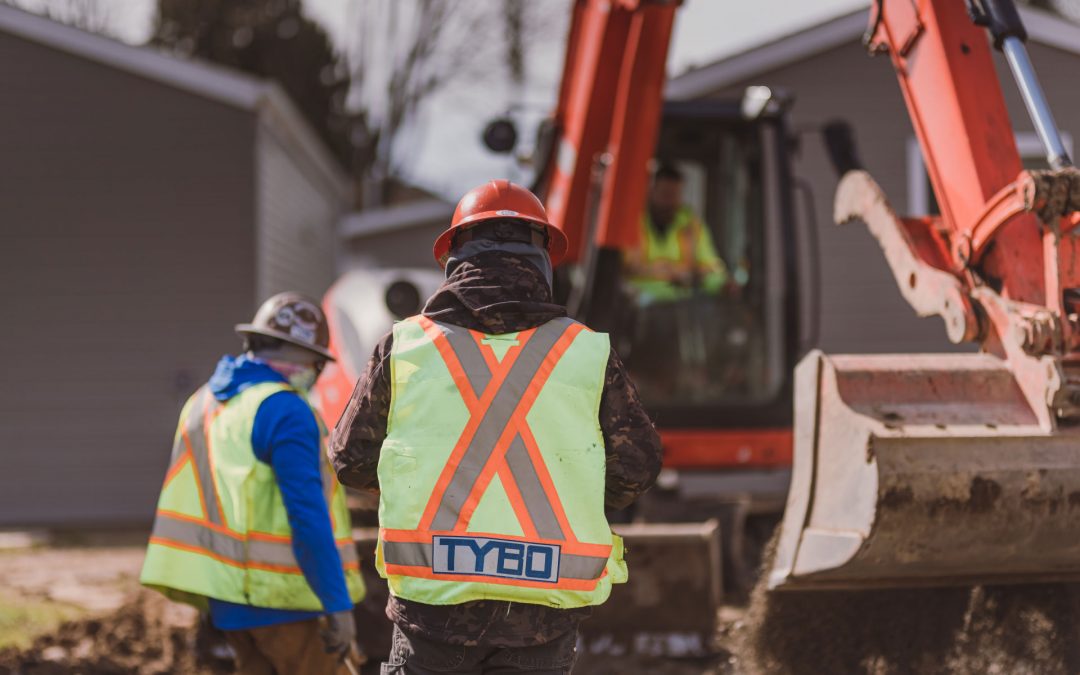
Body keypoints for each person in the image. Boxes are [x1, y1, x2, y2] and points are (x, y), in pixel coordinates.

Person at [330, 180, 663, 674]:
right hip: (542, 617)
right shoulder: (585, 352)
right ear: (543, 259)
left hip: (431, 615)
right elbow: (637, 466)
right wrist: (573, 488)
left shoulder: (403, 347)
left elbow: (350, 461)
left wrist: (417, 485)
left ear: (454, 257)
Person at [140, 293, 366, 675]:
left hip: (229, 601)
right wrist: (337, 605)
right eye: (316, 364)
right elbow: (308, 519)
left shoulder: (205, 402)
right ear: (302, 359)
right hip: (287, 600)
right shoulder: (286, 410)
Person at [624, 163, 729, 305]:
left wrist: (722, 284)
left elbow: (711, 268)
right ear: (651, 191)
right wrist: (670, 270)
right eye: (664, 194)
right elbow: (625, 267)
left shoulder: (692, 225)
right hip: (634, 304)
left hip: (679, 305)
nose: (669, 201)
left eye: (674, 195)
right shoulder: (632, 220)